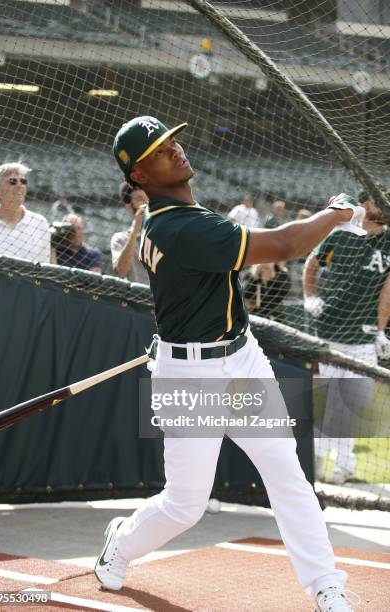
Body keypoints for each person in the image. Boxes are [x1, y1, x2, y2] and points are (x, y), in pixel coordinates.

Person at [94, 116, 365, 611]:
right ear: (140, 178)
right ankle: (122, 542)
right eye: (159, 151)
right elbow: (285, 245)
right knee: (185, 504)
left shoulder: (175, 217)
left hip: (239, 359)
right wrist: (337, 213)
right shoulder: (181, 225)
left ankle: (327, 586)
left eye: (171, 141)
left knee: (286, 472)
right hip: (190, 377)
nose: (174, 150)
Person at [303, 191, 390, 484]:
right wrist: (309, 297)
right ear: (364, 205)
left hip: (363, 335)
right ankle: (339, 465)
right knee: (334, 399)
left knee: (354, 401)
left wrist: (380, 331)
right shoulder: (339, 235)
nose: (384, 206)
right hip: (329, 328)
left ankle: (325, 458)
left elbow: (387, 292)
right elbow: (312, 265)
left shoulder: (389, 241)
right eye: (379, 200)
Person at [0, 162, 50, 263]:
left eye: (23, 181)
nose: (20, 186)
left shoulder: (40, 223)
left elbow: (45, 267)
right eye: (12, 181)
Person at [110, 181, 149, 284]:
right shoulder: (120, 239)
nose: (147, 203)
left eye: (148, 198)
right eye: (140, 199)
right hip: (138, 295)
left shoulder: (165, 231)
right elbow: (121, 272)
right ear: (130, 208)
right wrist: (135, 230)